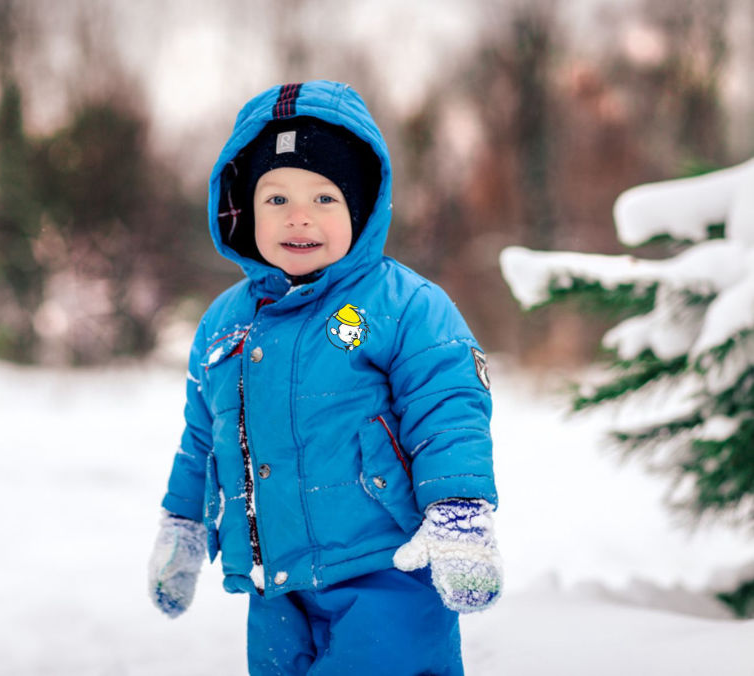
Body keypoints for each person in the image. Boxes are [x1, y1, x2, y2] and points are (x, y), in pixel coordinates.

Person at [148, 80, 501, 675]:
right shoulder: (224, 324)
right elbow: (202, 439)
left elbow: (448, 408)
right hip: (275, 582)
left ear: (361, 209)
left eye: (324, 199)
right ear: (243, 211)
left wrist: (459, 512)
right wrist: (183, 525)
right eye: (276, 200)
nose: (299, 218)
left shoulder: (405, 305)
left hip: (387, 569)